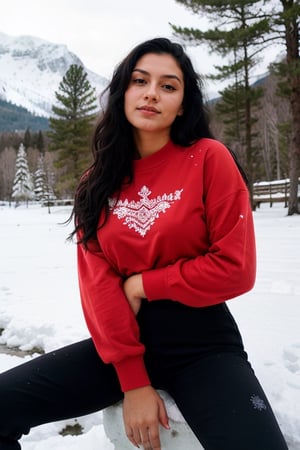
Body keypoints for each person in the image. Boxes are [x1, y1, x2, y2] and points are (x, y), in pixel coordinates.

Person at [0, 37, 288, 450]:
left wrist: (142, 284)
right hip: (122, 346)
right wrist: (133, 381)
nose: (152, 93)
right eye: (140, 81)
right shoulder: (97, 182)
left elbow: (235, 268)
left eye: (168, 86)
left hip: (204, 346)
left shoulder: (209, 159)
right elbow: (98, 285)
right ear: (123, 93)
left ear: (183, 104)